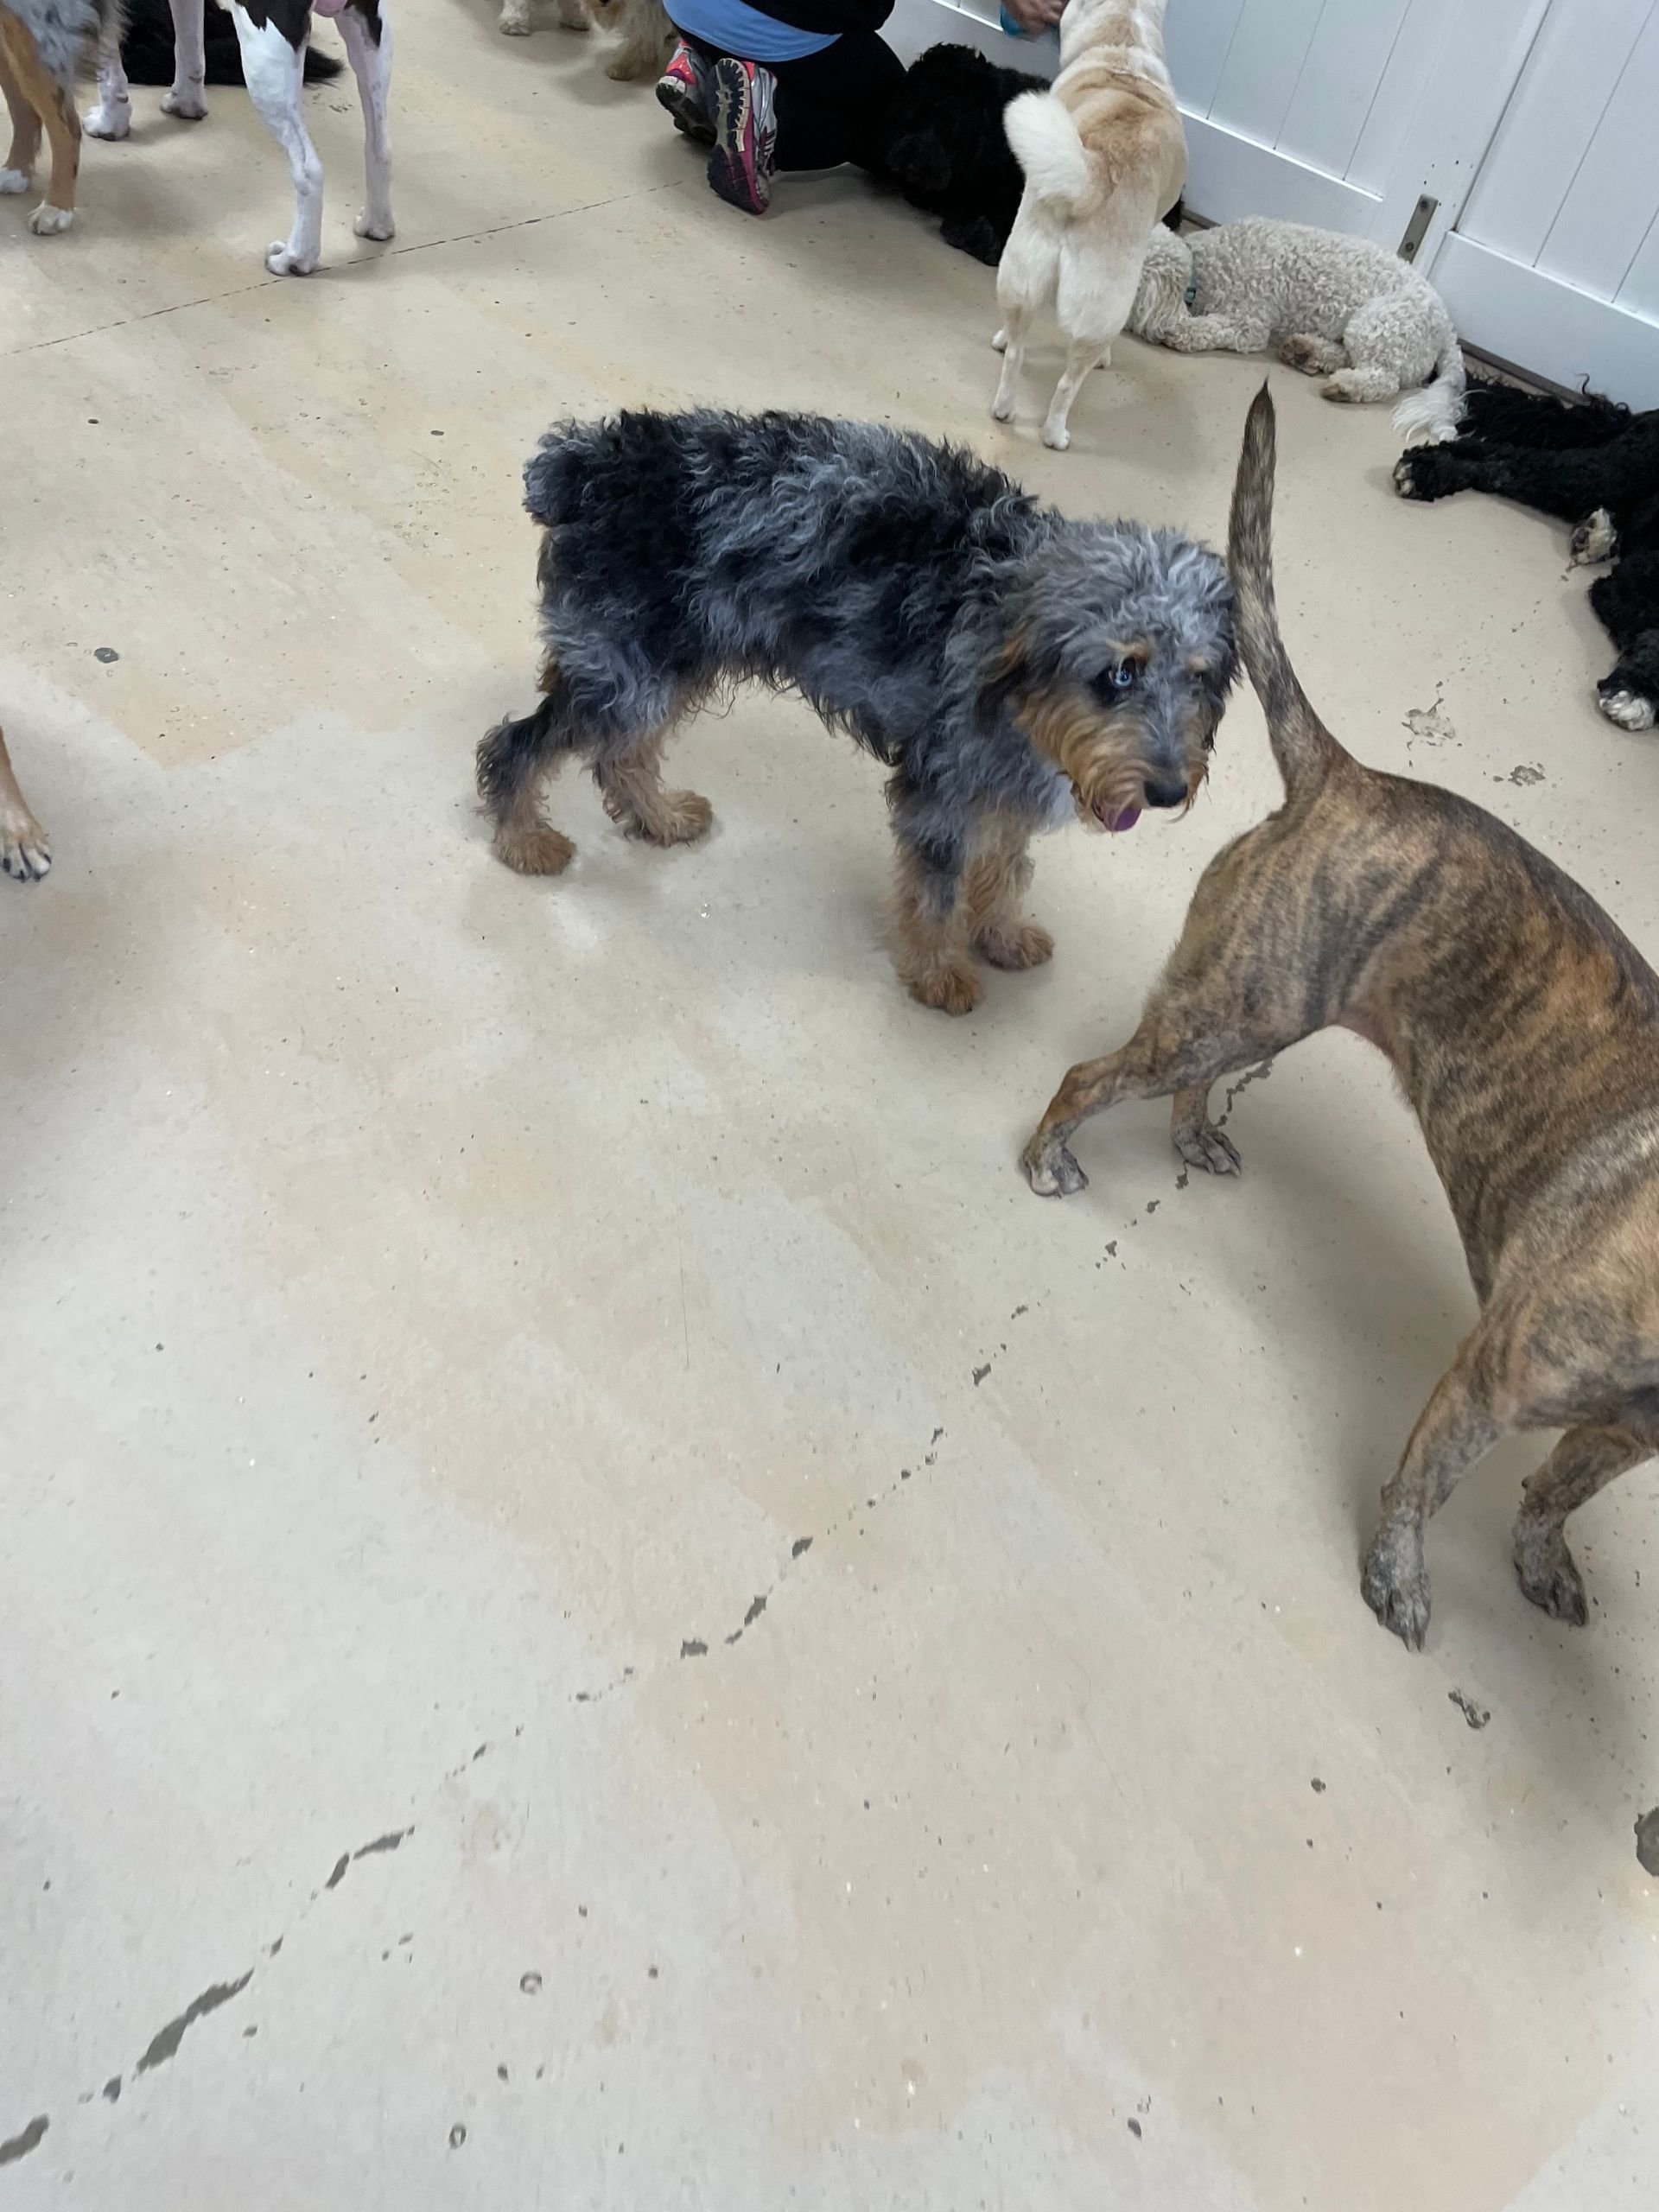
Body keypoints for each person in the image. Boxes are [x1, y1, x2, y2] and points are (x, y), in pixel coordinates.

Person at [655, 0, 906, 217]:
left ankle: (700, 67)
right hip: (758, 25)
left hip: (685, 13)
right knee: (894, 123)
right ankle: (772, 115)